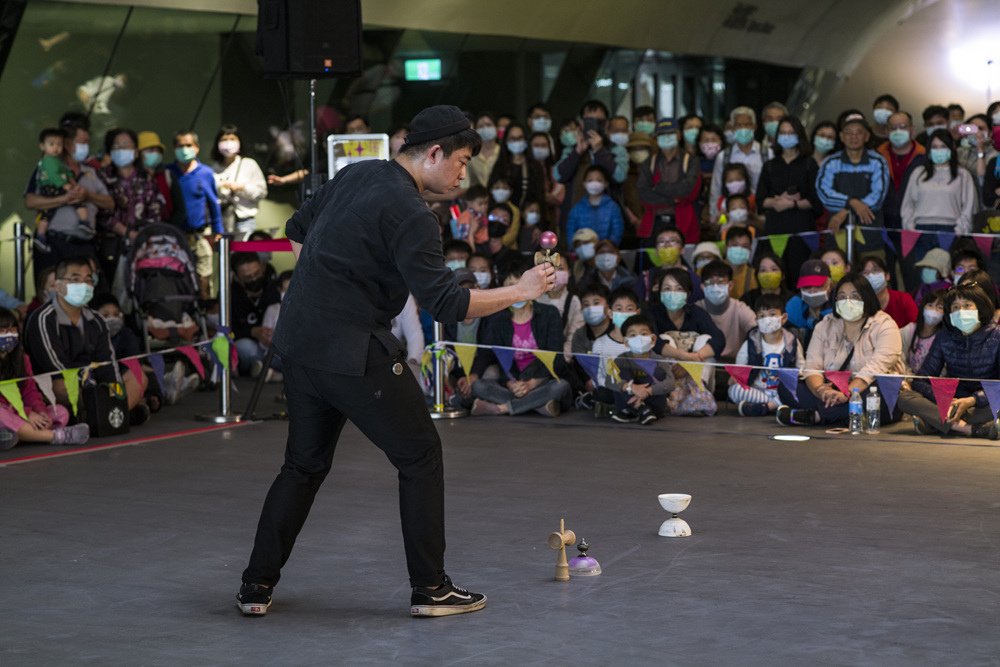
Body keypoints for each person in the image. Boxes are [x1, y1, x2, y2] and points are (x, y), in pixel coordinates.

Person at [238, 104, 557, 618]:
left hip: (298, 342)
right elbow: (449, 305)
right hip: (353, 349)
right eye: (458, 161)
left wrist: (329, 288)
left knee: (302, 466)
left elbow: (297, 232)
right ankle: (430, 589)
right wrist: (519, 289)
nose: (462, 173)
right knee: (420, 455)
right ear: (432, 153)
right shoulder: (413, 213)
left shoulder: (357, 173)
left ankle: (255, 586)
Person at [23, 257, 148, 423]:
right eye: (75, 279)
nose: (83, 285)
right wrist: (91, 383)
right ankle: (116, 415)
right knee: (62, 387)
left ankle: (107, 416)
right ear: (59, 286)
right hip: (61, 383)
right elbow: (57, 368)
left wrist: (111, 387)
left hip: (94, 381)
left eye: (88, 279)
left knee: (138, 377)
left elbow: (107, 364)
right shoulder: (43, 318)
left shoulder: (97, 320)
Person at [776, 272, 903, 427]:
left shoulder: (885, 325)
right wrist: (821, 390)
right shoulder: (825, 324)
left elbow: (876, 368)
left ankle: (817, 416)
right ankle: (839, 414)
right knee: (787, 386)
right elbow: (813, 366)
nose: (848, 301)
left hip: (869, 389)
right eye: (842, 297)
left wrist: (846, 393)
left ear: (867, 297)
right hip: (833, 389)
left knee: (883, 399)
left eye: (855, 296)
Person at [898, 282, 1000, 439]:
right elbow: (921, 379)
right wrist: (947, 398)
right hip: (953, 402)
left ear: (980, 308)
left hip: (984, 403)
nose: (961, 312)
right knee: (905, 397)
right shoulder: (944, 337)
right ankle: (970, 429)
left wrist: (972, 400)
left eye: (967, 306)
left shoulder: (996, 335)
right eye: (956, 308)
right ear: (950, 314)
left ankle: (937, 423)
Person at [24, 124, 113, 270]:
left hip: (85, 246)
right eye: (82, 142)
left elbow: (110, 203)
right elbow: (30, 202)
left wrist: (87, 195)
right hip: (55, 244)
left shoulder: (91, 171)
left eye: (87, 142)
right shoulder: (44, 168)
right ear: (68, 143)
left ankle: (84, 224)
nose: (86, 147)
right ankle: (40, 237)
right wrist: (62, 199)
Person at [0, 307, 89, 450]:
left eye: (13, 330)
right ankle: (57, 436)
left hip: (19, 413)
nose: (9, 335)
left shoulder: (23, 359)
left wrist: (40, 411)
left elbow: (30, 391)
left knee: (60, 412)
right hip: (9, 412)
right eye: (3, 331)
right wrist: (26, 413)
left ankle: (17, 435)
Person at [900, 129, 977, 288]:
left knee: (947, 279)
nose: (938, 150)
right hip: (920, 232)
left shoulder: (963, 175)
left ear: (952, 148)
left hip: (950, 231)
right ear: (928, 150)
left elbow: (969, 207)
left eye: (943, 146)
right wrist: (910, 227)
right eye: (934, 146)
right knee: (924, 280)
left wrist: (959, 230)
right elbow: (907, 204)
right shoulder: (918, 173)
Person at [756, 116, 821, 287]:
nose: (786, 136)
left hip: (802, 229)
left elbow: (816, 201)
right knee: (775, 274)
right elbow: (760, 200)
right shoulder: (770, 165)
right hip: (775, 227)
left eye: (791, 132)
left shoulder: (809, 163)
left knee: (800, 275)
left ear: (799, 135)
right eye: (783, 132)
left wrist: (792, 204)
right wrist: (777, 202)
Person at [97, 127, 166, 285]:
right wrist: (126, 232)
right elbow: (101, 213)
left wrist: (142, 235)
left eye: (126, 146)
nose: (121, 150)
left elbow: (156, 209)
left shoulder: (146, 178)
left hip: (143, 247)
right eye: (116, 147)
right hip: (110, 248)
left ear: (136, 151)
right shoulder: (103, 176)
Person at [727, 293, 804, 417]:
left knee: (800, 390)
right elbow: (739, 369)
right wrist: (735, 377)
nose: (767, 319)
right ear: (757, 321)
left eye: (772, 314)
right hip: (758, 391)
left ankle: (764, 407)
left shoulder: (792, 342)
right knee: (735, 391)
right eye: (762, 316)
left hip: (783, 391)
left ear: (783, 318)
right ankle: (774, 405)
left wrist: (796, 381)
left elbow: (802, 368)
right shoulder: (751, 343)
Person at [167, 131, 223, 299]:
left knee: (204, 276)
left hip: (200, 235)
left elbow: (214, 204)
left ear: (197, 148)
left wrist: (217, 231)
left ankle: (205, 310)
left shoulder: (205, 172)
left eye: (188, 145)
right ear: (174, 149)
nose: (184, 149)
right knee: (176, 276)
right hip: (174, 236)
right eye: (180, 146)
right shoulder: (168, 172)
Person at [816, 116, 888, 236]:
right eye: (848, 132)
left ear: (867, 136)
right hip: (837, 231)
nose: (853, 137)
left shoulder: (878, 161)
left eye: (859, 132)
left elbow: (878, 198)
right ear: (841, 137)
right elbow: (824, 194)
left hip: (870, 231)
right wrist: (852, 202)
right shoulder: (831, 162)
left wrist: (845, 210)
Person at [636, 117, 701, 243]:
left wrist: (657, 187)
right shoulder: (649, 162)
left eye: (671, 133)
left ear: (679, 135)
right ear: (655, 138)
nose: (666, 137)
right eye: (662, 134)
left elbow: (687, 190)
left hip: (682, 220)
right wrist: (673, 199)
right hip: (655, 221)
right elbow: (643, 194)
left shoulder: (691, 160)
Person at [605, 314, 674, 425]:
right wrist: (630, 387)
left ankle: (637, 411)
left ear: (653, 339)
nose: (639, 338)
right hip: (627, 401)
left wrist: (647, 391)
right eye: (633, 335)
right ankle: (641, 409)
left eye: (643, 334)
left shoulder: (660, 360)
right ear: (626, 342)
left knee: (660, 373)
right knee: (620, 372)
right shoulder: (621, 359)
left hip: (654, 405)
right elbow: (609, 380)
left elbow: (670, 383)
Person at [555, 100, 617, 214]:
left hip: (607, 215)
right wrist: (577, 151)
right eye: (590, 121)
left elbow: (618, 178)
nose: (595, 125)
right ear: (582, 123)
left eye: (600, 121)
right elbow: (560, 176)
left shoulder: (615, 149)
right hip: (576, 214)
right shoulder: (571, 149)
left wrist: (600, 151)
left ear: (606, 123)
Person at [33, 128, 89, 249]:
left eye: (59, 144)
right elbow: (54, 175)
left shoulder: (56, 161)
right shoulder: (47, 161)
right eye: (51, 144)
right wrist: (65, 185)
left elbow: (65, 172)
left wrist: (71, 179)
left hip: (54, 188)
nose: (56, 148)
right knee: (76, 200)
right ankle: (84, 222)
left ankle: (40, 236)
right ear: (42, 146)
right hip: (53, 187)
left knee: (47, 214)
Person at [230, 252, 282, 379]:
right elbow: (227, 331)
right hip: (251, 346)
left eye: (257, 274)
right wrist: (253, 332)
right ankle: (270, 371)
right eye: (248, 277)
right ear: (237, 277)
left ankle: (263, 370)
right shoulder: (230, 295)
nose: (254, 279)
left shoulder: (274, 289)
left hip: (274, 346)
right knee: (244, 347)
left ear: (262, 268)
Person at [212, 123, 268, 240]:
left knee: (244, 256)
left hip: (244, 221)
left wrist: (241, 188)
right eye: (224, 139)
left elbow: (262, 192)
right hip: (221, 221)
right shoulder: (213, 169)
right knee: (224, 255)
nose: (228, 143)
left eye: (232, 139)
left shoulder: (249, 164)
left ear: (239, 142)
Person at [708, 106, 771, 209]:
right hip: (731, 214)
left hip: (761, 213)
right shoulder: (723, 157)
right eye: (738, 125)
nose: (743, 129)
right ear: (733, 128)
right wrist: (715, 217)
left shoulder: (767, 154)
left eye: (747, 124)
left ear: (754, 126)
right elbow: (716, 190)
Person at [695, 260, 757, 362]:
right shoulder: (696, 308)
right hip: (703, 360)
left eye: (720, 282)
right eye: (710, 283)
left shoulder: (739, 308)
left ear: (730, 285)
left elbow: (757, 331)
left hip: (734, 363)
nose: (715, 287)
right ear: (702, 287)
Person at [534, 255, 583, 359]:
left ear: (569, 272)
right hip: (535, 357)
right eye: (550, 269)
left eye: (560, 269)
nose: (555, 274)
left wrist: (560, 360)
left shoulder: (574, 301)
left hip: (562, 358)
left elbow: (573, 337)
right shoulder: (535, 299)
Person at [488, 122, 546, 210]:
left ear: (526, 140)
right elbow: (492, 194)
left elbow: (540, 196)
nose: (517, 142)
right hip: (505, 216)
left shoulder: (535, 166)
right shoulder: (500, 166)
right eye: (512, 139)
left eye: (520, 138)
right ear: (506, 142)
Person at [566, 166, 623, 245]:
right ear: (584, 184)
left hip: (605, 251)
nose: (594, 183)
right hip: (582, 252)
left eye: (599, 180)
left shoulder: (613, 207)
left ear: (606, 184)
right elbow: (570, 232)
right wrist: (576, 247)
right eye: (590, 180)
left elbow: (617, 231)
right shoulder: (577, 209)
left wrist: (608, 246)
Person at [785, 258, 834, 345]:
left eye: (818, 285)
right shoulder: (793, 306)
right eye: (807, 286)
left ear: (830, 285)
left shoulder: (838, 305)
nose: (812, 290)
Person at [859, 255, 917, 328]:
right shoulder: (858, 304)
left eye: (875, 270)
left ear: (887, 276)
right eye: (865, 273)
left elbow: (916, 328)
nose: (871, 275)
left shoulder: (903, 299)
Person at [899, 288, 945, 373]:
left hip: (931, 383)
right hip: (908, 380)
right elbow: (899, 359)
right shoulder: (909, 330)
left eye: (939, 307)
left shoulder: (944, 337)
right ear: (923, 306)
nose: (933, 310)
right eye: (930, 305)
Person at [138, 131, 174, 222]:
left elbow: (180, 210)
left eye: (157, 150)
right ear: (138, 153)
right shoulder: (132, 178)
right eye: (150, 150)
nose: (155, 153)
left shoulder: (167, 175)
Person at [722, 226, 756, 299]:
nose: (740, 249)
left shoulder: (755, 276)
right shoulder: (708, 271)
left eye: (745, 246)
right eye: (735, 245)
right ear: (726, 247)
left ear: (750, 249)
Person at [468, 113, 500, 187]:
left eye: (488, 125)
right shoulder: (470, 154)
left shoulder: (503, 152)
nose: (485, 128)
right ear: (476, 130)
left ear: (496, 128)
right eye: (480, 126)